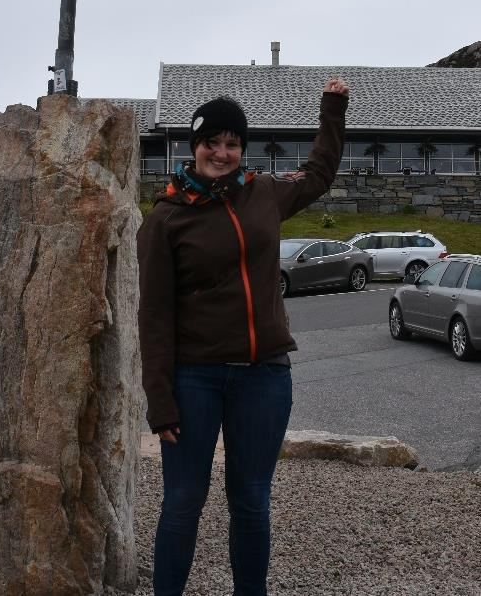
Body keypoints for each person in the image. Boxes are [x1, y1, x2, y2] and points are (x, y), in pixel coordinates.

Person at [136, 77, 349, 596]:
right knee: (183, 501)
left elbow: (320, 174)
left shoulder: (264, 195)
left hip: (264, 376)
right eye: (213, 142)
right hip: (194, 380)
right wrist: (160, 400)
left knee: (251, 500)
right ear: (195, 146)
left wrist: (333, 110)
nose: (223, 152)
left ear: (242, 149)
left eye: (233, 144)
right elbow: (155, 317)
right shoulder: (165, 220)